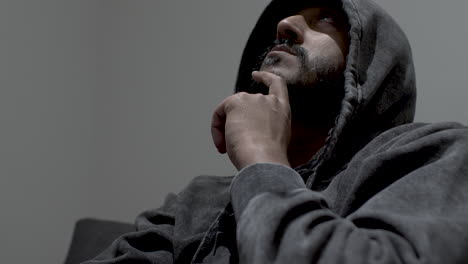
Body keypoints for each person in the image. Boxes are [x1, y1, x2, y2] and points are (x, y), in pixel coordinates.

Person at [82, 0, 468, 263]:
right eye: (286, 19)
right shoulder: (199, 201)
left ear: (370, 66)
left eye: (326, 19)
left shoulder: (437, 153)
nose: (285, 25)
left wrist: (261, 158)